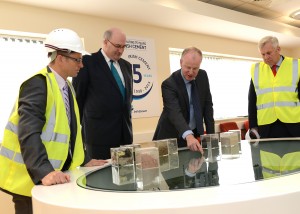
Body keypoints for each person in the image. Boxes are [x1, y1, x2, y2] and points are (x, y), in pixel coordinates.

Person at [0, 28, 108, 214]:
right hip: (30, 182)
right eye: (77, 59)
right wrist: (44, 171)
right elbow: (28, 132)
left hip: (55, 179)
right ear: (60, 58)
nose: (81, 65)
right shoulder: (37, 84)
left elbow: (67, 134)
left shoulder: (67, 88)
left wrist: (84, 159)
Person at [72, 27, 133, 160]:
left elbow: (126, 100)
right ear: (105, 42)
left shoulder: (127, 66)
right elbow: (78, 99)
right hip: (98, 137)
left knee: (126, 177)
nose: (121, 50)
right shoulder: (87, 62)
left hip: (125, 137)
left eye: (123, 46)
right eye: (117, 46)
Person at [153, 47, 215, 153]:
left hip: (194, 137)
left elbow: (208, 106)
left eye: (195, 68)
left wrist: (211, 137)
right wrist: (188, 135)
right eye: (188, 67)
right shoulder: (169, 84)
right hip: (170, 137)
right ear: (181, 62)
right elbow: (174, 113)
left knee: (195, 167)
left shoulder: (203, 76)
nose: (191, 72)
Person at [248, 36, 300, 139]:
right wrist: (253, 126)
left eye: (269, 53)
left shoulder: (297, 66)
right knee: (267, 155)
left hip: (293, 125)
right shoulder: (256, 70)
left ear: (278, 49)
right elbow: (252, 101)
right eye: (263, 54)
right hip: (266, 127)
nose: (266, 57)